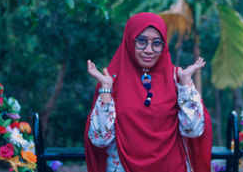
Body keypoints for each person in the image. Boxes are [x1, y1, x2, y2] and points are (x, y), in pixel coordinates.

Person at [84, 12, 212, 172]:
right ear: (129, 41)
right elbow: (99, 140)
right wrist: (105, 90)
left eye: (157, 43)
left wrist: (186, 83)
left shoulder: (176, 78)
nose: (149, 50)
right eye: (142, 41)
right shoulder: (110, 81)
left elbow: (194, 131)